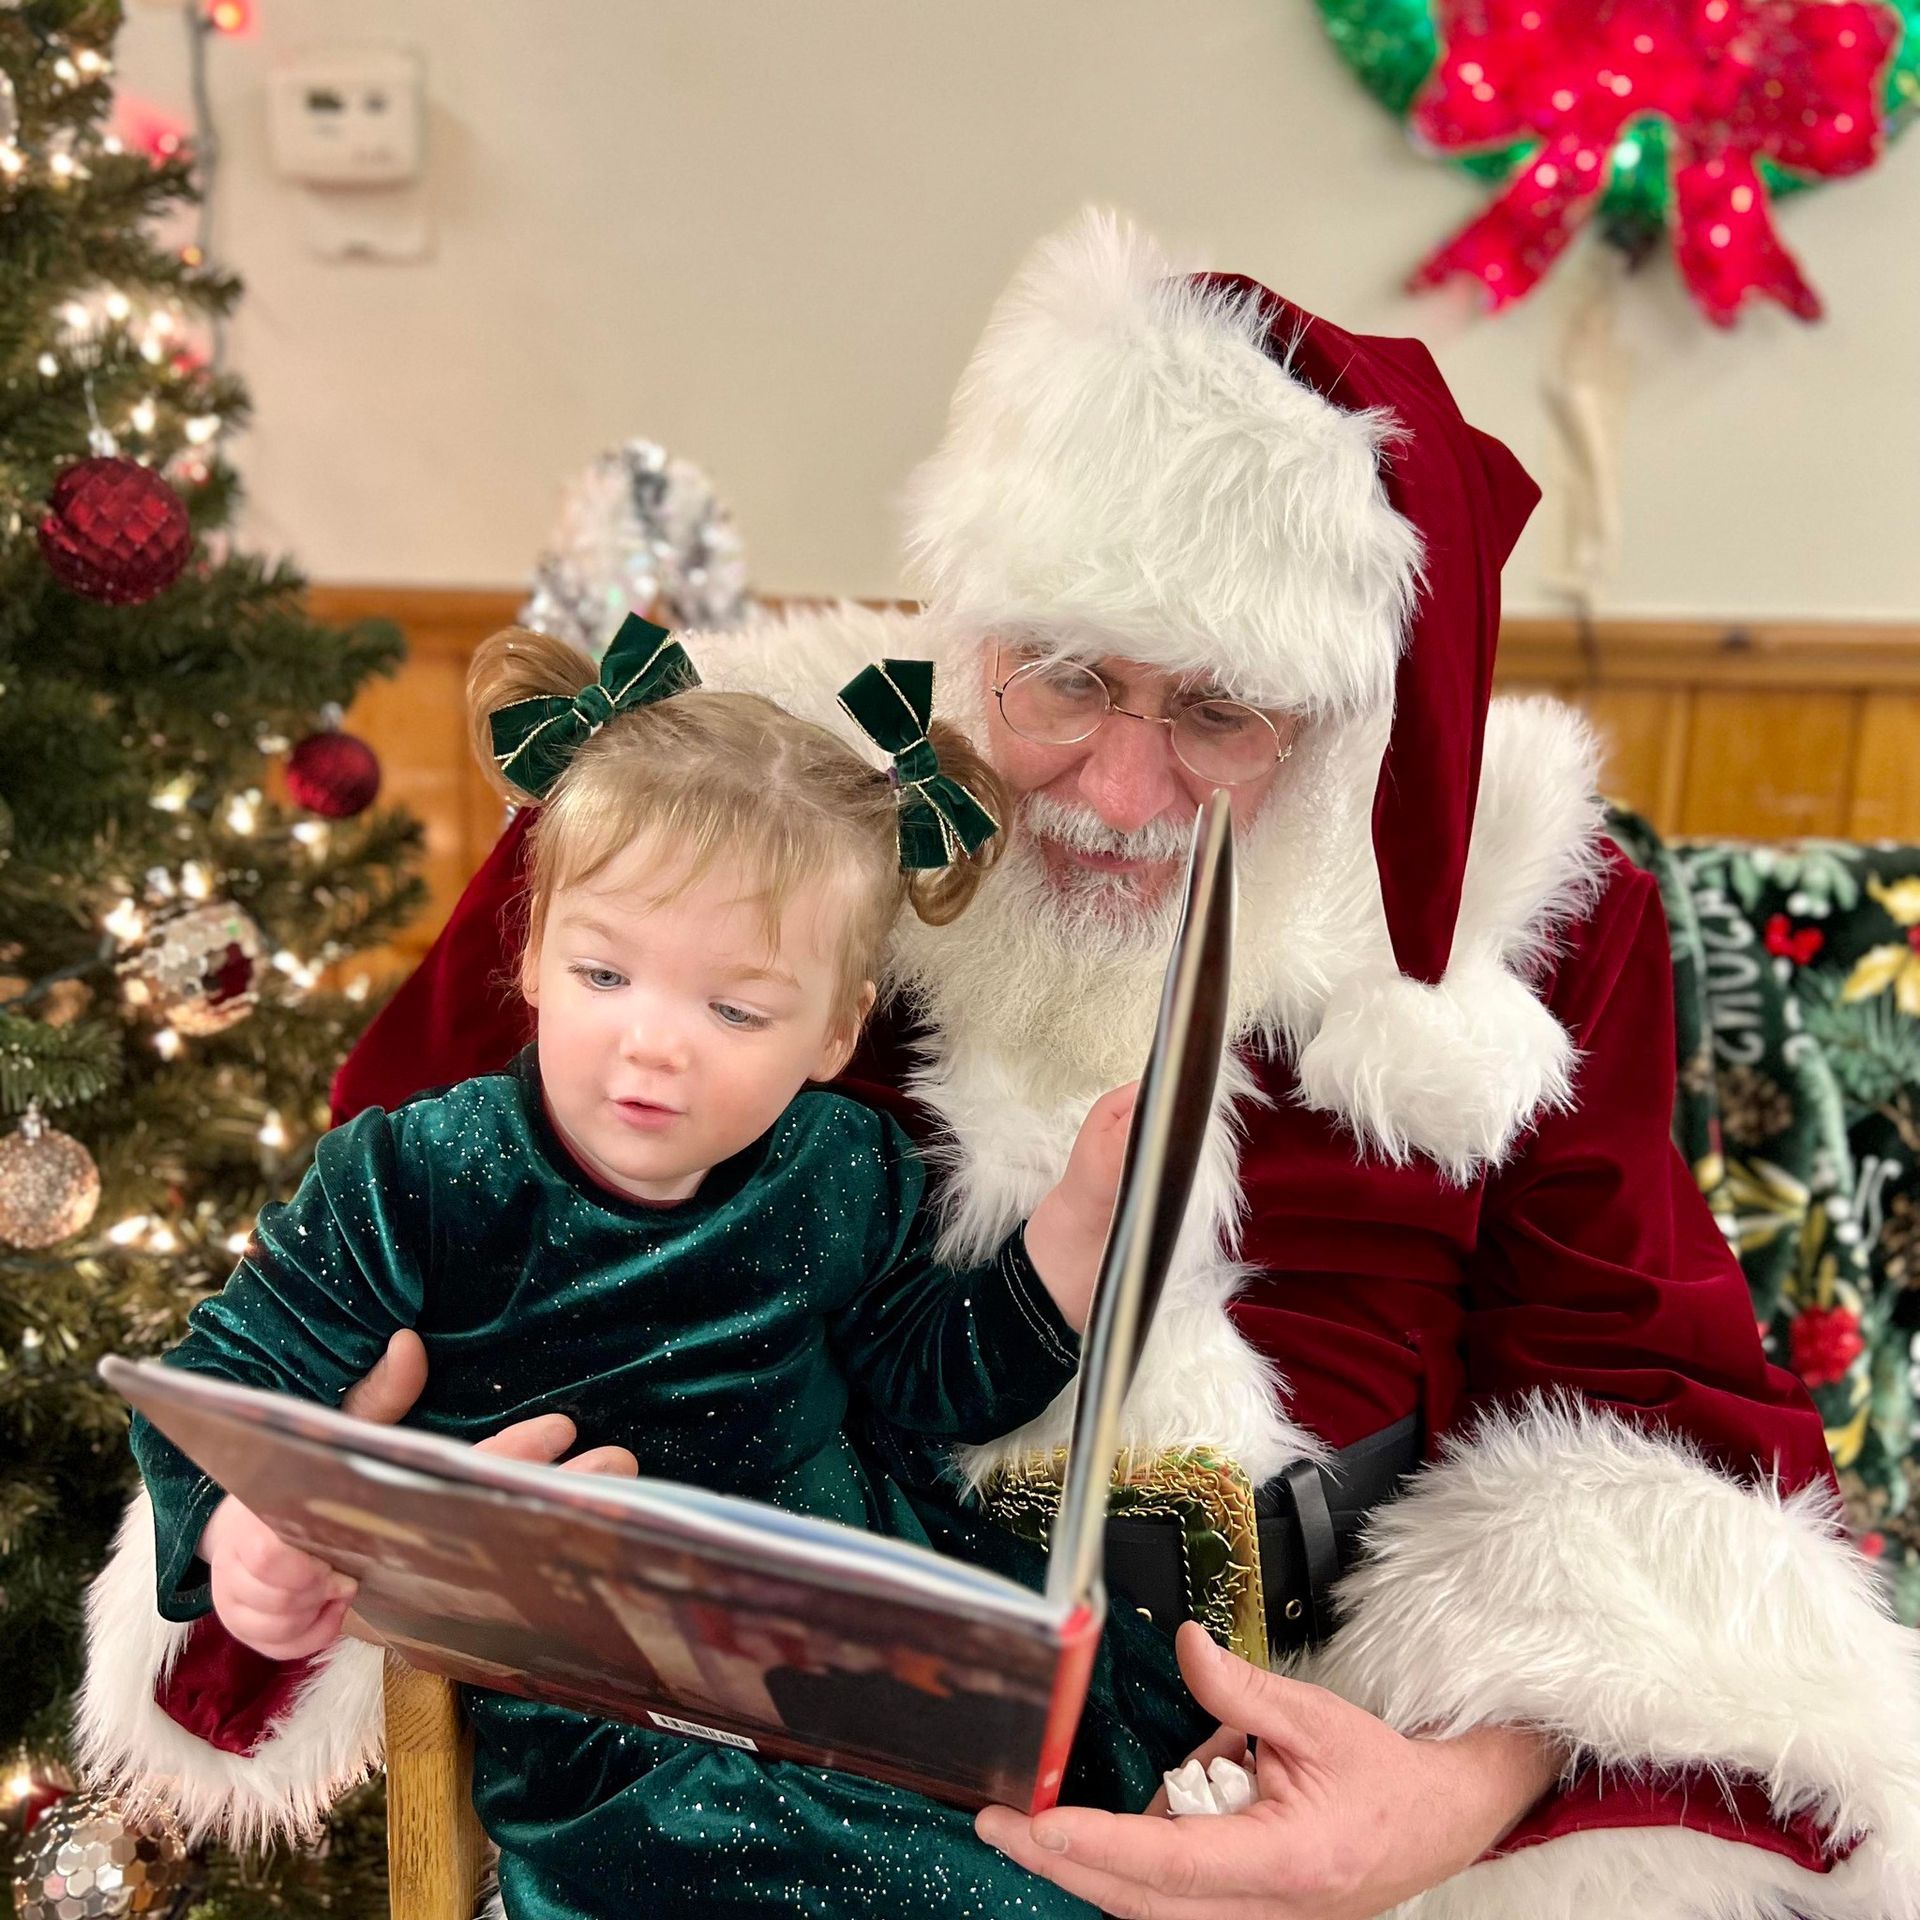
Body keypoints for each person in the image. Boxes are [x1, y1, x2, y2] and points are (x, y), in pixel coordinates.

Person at [83, 212, 1920, 1918]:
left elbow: (1647, 1412)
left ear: (1348, 713)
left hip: (1364, 1729)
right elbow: (373, 1274)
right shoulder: (729, 813)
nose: (1123, 798)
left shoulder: (1523, 903)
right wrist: (365, 1524)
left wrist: (1458, 1791)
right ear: (972, 617)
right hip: (774, 1754)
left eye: (1215, 709)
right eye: (1061, 680)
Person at [93, 614, 1149, 1918]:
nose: (656, 1045)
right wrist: (253, 1529)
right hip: (613, 1706)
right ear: (532, 951)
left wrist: (1079, 1227)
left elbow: (934, 1381)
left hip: (857, 1658)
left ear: (832, 1029)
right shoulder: (421, 1177)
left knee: (1072, 1826)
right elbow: (234, 1380)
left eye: (735, 1009)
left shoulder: (843, 1165)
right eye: (605, 973)